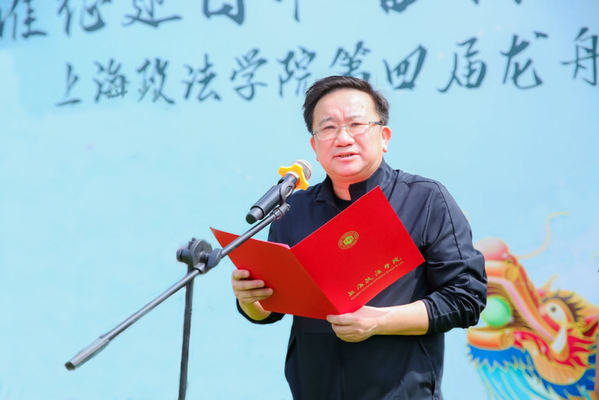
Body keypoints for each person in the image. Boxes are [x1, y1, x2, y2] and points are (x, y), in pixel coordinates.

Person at [231, 75, 487, 399]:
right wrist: (250, 299)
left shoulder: (424, 199)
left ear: (384, 136)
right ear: (314, 146)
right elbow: (270, 310)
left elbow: (466, 299)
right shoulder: (293, 210)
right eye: (328, 128)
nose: (343, 138)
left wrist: (379, 321)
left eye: (356, 124)